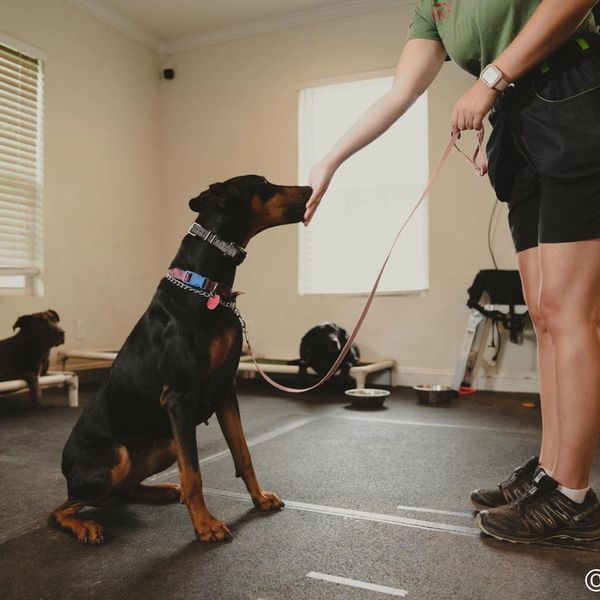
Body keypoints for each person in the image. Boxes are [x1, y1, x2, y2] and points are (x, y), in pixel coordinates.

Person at [304, 0, 600, 544]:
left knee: (568, 308)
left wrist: (492, 77)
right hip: (518, 123)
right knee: (545, 313)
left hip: (576, 97)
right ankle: (550, 472)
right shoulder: (432, 8)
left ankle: (574, 496)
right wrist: (329, 161)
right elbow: (401, 91)